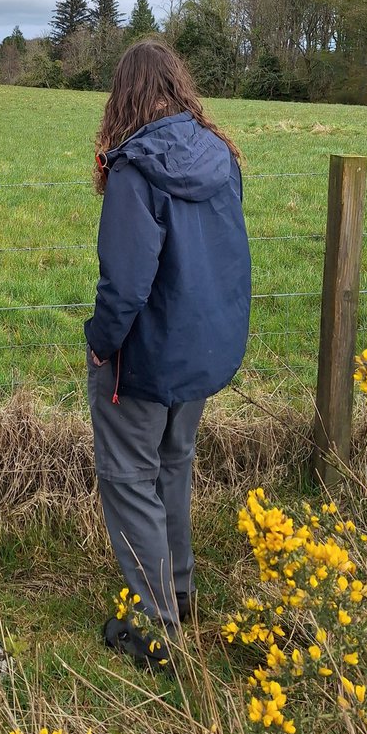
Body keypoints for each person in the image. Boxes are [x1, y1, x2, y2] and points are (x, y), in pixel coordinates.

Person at [84, 39, 251, 668]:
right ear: (178, 87)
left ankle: (156, 627)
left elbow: (124, 283)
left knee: (129, 477)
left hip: (148, 357)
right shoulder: (221, 154)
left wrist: (101, 344)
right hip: (203, 347)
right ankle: (177, 594)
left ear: (122, 97)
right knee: (173, 466)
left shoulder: (135, 171)